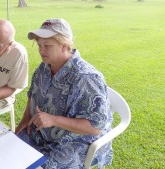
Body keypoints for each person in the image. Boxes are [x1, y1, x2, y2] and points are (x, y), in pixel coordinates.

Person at [15, 18, 113, 169]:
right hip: (43, 131)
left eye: (47, 45)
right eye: (39, 45)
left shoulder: (86, 77)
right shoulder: (44, 67)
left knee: (40, 166)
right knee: (12, 148)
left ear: (65, 46)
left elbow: (95, 127)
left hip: (76, 141)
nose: (41, 50)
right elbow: (32, 94)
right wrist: (25, 119)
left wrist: (53, 120)